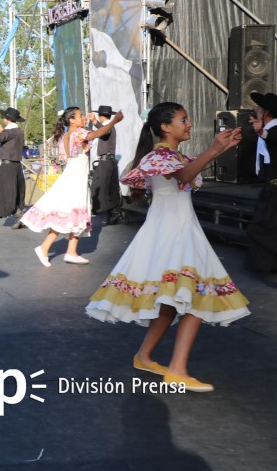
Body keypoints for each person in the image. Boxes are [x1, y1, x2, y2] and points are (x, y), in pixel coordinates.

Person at [86, 102, 251, 392]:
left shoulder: (172, 156)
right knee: (196, 295)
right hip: (171, 232)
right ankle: (176, 369)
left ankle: (144, 356)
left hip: (179, 229)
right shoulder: (158, 156)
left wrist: (220, 148)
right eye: (183, 120)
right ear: (165, 127)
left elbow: (187, 173)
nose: (188, 124)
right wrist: (214, 149)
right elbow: (184, 177)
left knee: (174, 300)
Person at [22, 106, 123, 266]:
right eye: (80, 115)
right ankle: (45, 247)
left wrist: (93, 122)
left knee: (74, 214)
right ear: (71, 120)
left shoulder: (67, 135)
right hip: (75, 178)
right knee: (69, 211)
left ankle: (71, 251)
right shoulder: (78, 133)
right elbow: (97, 134)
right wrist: (115, 121)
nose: (83, 117)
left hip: (75, 175)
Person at [246, 91, 277, 273]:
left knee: (262, 227)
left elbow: (273, 138)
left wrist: (262, 131)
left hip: (274, 190)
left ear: (265, 112)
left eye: (258, 108)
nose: (255, 110)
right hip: (270, 187)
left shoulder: (272, 131)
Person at [90, 105, 125, 225]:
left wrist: (95, 122)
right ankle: (113, 213)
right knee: (108, 188)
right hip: (106, 161)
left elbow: (105, 132)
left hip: (107, 161)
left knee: (100, 187)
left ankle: (111, 211)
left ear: (101, 116)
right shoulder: (106, 126)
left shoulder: (108, 126)